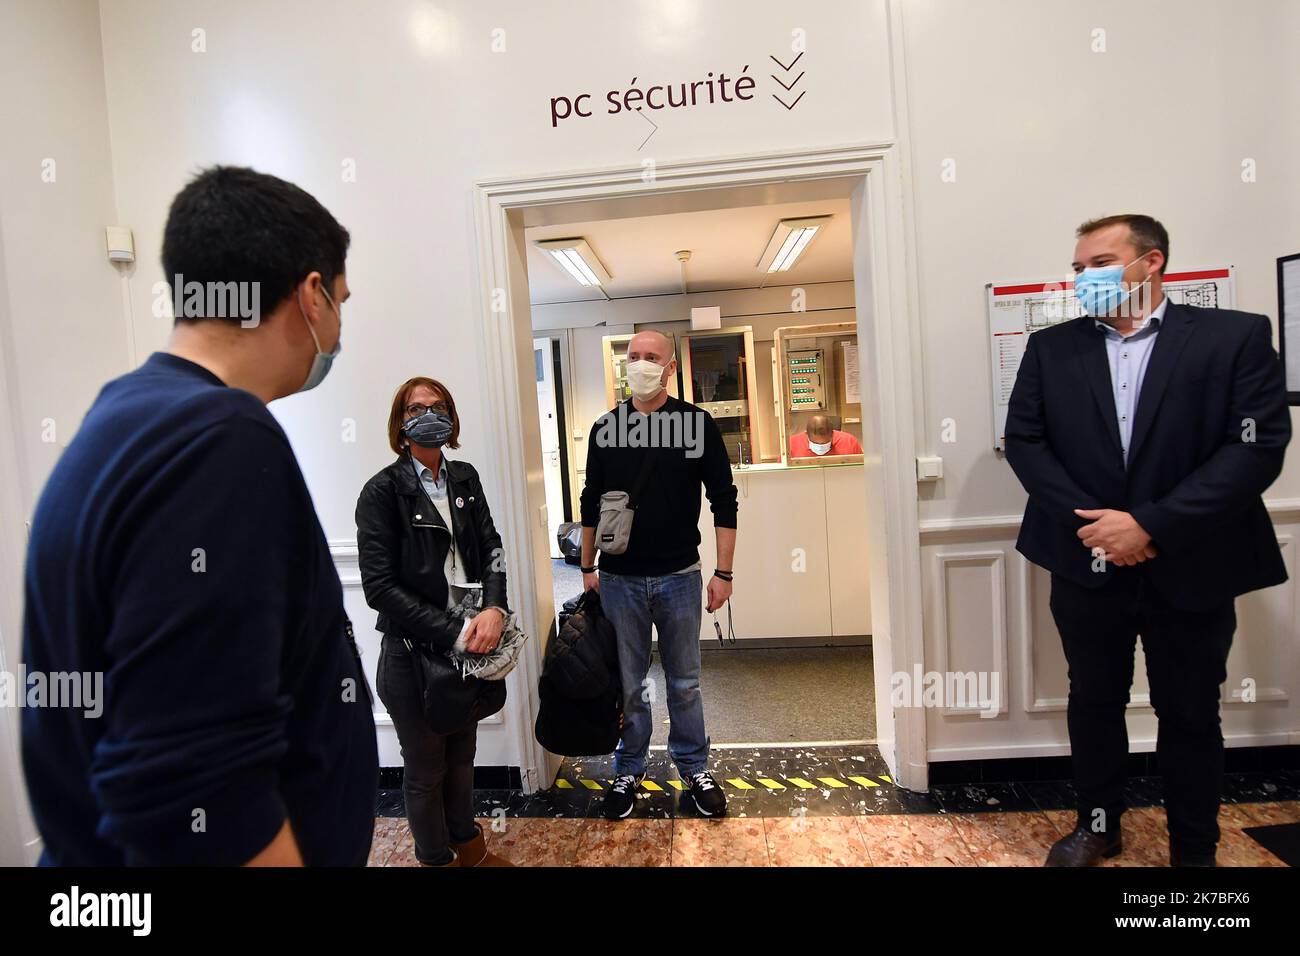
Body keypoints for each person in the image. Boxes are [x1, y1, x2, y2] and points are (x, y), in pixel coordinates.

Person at [21, 166, 378, 866]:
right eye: (340, 300)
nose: (338, 325)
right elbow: (198, 795)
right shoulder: (220, 443)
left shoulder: (126, 416)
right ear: (310, 296)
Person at [1004, 214, 1290, 867]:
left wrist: (1150, 523)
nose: (1084, 278)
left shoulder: (1233, 338)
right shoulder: (1053, 348)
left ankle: (1195, 847)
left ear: (1151, 262)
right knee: (1094, 702)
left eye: (1099, 262)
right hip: (1084, 562)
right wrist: (1098, 526)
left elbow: (1254, 449)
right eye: (1077, 268)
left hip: (1192, 562)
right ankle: (1098, 826)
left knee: (1189, 711)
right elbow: (1027, 443)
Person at [579, 329, 738, 820]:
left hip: (679, 576)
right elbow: (589, 503)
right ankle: (628, 767)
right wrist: (586, 566)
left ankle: (693, 766)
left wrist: (724, 572)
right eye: (635, 357)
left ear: (670, 368)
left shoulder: (696, 425)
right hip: (620, 578)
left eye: (652, 358)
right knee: (629, 682)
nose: (642, 364)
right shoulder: (606, 428)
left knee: (684, 681)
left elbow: (723, 499)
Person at [355, 377, 514, 867]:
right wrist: (456, 632)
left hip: (469, 648)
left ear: (451, 417)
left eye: (438, 405)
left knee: (463, 758)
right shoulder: (383, 491)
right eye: (415, 407)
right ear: (401, 425)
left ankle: (470, 849)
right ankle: (435, 858)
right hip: (412, 657)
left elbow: (492, 547)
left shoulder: (464, 477)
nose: (428, 413)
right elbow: (379, 588)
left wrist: (494, 608)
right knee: (426, 769)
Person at [789, 415, 864, 458]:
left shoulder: (849, 442)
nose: (820, 447)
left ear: (832, 434)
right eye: (815, 443)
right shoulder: (791, 444)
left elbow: (861, 469)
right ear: (806, 434)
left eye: (825, 443)